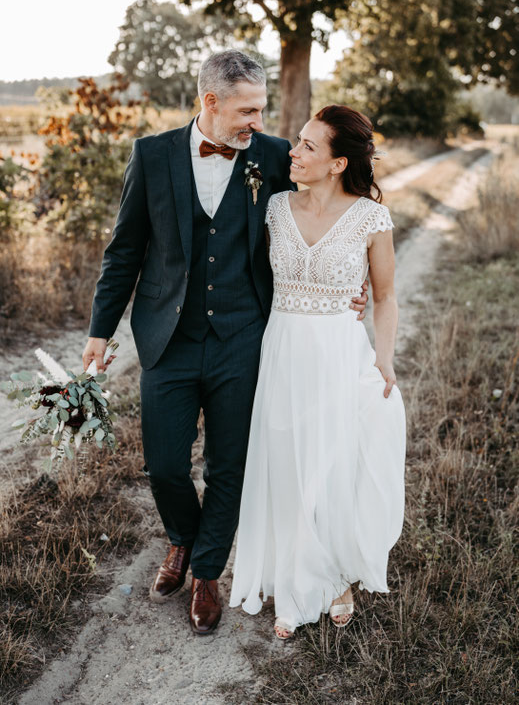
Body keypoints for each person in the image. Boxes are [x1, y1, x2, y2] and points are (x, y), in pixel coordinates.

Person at [81, 52, 369, 635]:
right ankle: (182, 540)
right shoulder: (152, 154)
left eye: (261, 108)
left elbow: (329, 204)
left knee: (229, 466)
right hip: (169, 339)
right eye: (247, 109)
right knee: (163, 464)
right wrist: (98, 332)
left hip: (245, 337)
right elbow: (124, 252)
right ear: (209, 102)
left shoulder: (272, 155)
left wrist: (349, 278)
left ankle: (208, 572)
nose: (257, 121)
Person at [230, 104, 406, 639]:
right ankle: (295, 581)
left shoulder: (371, 219)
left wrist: (383, 358)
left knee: (332, 464)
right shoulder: (274, 208)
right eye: (297, 141)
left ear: (337, 163)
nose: (294, 151)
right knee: (286, 462)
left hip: (338, 351)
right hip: (282, 350)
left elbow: (385, 295)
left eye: (308, 145)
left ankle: (335, 577)